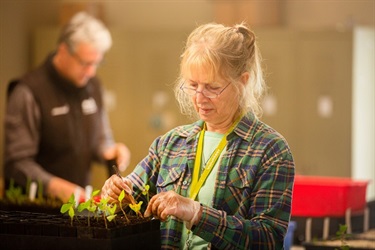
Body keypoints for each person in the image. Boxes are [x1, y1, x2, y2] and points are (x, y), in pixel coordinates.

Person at [101, 22, 295, 249]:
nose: (199, 98)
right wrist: (115, 196)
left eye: (212, 87)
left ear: (242, 82)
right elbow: (129, 201)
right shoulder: (170, 144)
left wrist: (196, 213)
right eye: (193, 85)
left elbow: (268, 239)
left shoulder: (270, 150)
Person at [4, 12, 131, 203]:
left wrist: (111, 150)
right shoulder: (28, 92)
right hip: (35, 208)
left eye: (97, 63)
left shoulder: (93, 86)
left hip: (78, 204)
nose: (91, 71)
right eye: (85, 63)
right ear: (63, 50)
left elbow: (100, 139)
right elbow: (16, 163)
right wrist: (55, 187)